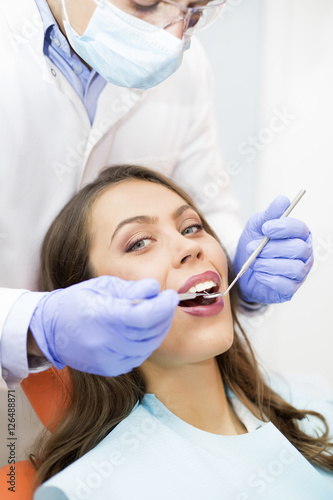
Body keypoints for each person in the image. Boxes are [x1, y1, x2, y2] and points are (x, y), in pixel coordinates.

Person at [0, 0, 313, 390]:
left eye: (195, 12)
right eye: (147, 3)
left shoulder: (187, 67)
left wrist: (241, 265)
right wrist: (30, 328)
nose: (173, 40)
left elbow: (209, 202)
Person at [26, 165, 331, 498]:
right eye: (139, 242)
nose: (190, 247)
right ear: (89, 304)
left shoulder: (317, 396)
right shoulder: (88, 490)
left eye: (192, 227)